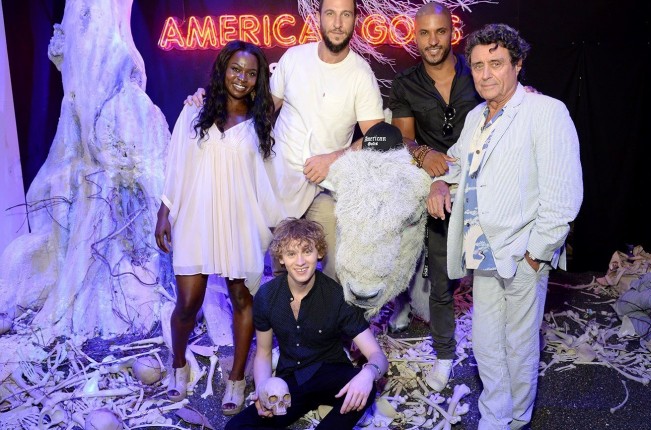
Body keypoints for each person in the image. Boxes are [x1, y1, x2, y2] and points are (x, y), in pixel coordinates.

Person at [427, 24, 583, 430]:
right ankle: (495, 414)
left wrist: (537, 255)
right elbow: (457, 163)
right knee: (486, 343)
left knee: (519, 343)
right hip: (481, 250)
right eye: (478, 66)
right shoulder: (476, 116)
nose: (485, 74)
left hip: (522, 251)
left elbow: (563, 196)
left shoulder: (546, 112)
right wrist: (440, 181)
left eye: (495, 63)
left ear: (517, 64)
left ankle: (516, 418)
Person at [187, 0, 384, 281]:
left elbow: (379, 137)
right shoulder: (294, 58)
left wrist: (333, 159)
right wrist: (207, 99)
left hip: (323, 188)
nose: (338, 23)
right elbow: (259, 109)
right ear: (319, 17)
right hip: (277, 185)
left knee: (336, 269)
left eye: (346, 15)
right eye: (330, 14)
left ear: (355, 19)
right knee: (277, 274)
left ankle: (329, 309)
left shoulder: (361, 75)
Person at [155, 40, 282, 416]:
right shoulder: (194, 111)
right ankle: (178, 363)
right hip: (196, 217)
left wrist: (275, 227)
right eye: (235, 69)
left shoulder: (260, 123)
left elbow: (266, 180)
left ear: (258, 80)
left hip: (239, 220)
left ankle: (237, 378)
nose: (242, 78)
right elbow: (176, 164)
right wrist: (165, 211)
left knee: (243, 299)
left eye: (251, 73)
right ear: (223, 69)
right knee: (188, 303)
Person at [387, 2, 481, 391]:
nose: (432, 41)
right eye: (424, 33)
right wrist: (424, 154)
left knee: (489, 278)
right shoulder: (405, 84)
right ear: (415, 36)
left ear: (452, 32)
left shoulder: (477, 71)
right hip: (434, 186)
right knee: (440, 282)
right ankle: (443, 355)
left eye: (440, 31)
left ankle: (497, 350)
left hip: (481, 185)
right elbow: (404, 139)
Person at [226, 218, 388, 430]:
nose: (300, 261)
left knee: (365, 388)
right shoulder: (266, 296)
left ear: (319, 253)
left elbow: (377, 356)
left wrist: (368, 374)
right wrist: (264, 388)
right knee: (236, 426)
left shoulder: (337, 296)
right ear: (281, 258)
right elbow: (263, 353)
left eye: (307, 251)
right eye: (291, 254)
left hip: (330, 374)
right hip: (292, 380)